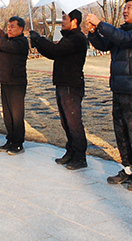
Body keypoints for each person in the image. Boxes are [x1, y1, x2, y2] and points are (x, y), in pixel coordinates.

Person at [87, 0, 132, 191]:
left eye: (129, 7)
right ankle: (127, 167)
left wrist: (100, 23)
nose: (125, 10)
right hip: (118, 87)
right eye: (124, 7)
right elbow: (105, 44)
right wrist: (93, 33)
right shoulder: (121, 31)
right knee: (121, 131)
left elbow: (123, 40)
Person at [29, 9, 89, 170]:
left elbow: (55, 51)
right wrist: (38, 43)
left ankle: (80, 156)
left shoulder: (77, 39)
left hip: (72, 85)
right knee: (66, 121)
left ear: (74, 21)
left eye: (65, 18)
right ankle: (71, 151)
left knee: (74, 122)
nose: (62, 21)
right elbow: (53, 52)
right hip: (63, 83)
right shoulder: (68, 38)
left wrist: (39, 40)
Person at [0, 13, 29, 155]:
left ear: (21, 29)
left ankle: (18, 143)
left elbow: (2, 44)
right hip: (5, 81)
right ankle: (10, 139)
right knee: (8, 114)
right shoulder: (7, 38)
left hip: (16, 83)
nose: (9, 29)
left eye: (12, 27)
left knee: (16, 115)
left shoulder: (21, 42)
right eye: (8, 26)